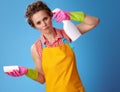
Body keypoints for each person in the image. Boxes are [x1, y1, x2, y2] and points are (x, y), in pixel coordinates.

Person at [5, 0, 99, 92]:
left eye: (45, 18)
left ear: (51, 16)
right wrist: (26, 71)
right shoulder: (36, 47)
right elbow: (42, 79)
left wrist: (70, 15)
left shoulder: (67, 33)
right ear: (34, 26)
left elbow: (94, 22)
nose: (44, 24)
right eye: (38, 23)